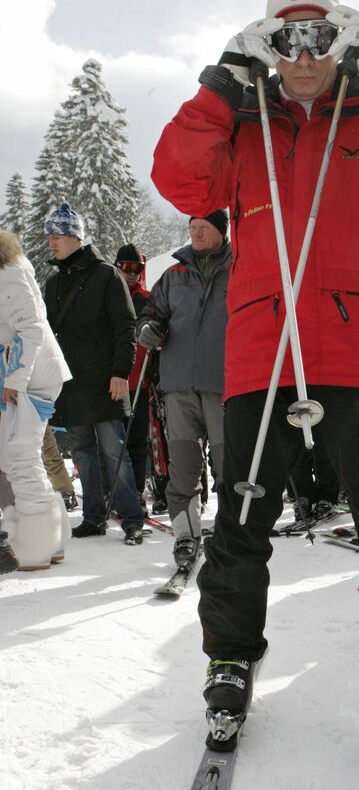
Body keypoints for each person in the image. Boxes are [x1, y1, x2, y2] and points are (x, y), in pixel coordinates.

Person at [151, 0, 359, 759]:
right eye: (286, 38)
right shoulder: (246, 125)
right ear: (267, 45)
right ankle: (229, 656)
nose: (304, 54)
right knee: (241, 525)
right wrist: (221, 87)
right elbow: (179, 177)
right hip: (265, 355)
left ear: (342, 38)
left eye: (321, 35)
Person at [42, 202, 145, 545]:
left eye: (57, 235)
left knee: (116, 450)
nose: (51, 241)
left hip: (105, 381)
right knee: (83, 452)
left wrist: (120, 372)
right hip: (71, 384)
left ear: (75, 237)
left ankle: (132, 519)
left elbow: (125, 327)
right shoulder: (53, 281)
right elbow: (47, 334)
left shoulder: (106, 274)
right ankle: (93, 517)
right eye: (49, 235)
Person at [137, 211, 230, 563]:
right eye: (192, 228)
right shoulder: (173, 276)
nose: (196, 233)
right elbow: (150, 314)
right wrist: (147, 329)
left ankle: (229, 531)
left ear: (221, 231)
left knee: (228, 465)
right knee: (183, 466)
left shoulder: (240, 269)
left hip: (224, 385)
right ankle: (185, 535)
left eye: (203, 227)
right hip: (178, 386)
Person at [0, 230, 72, 570]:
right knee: (19, 455)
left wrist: (15, 380)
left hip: (31, 374)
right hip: (22, 371)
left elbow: (29, 327)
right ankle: (50, 540)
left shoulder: (7, 270)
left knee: (20, 455)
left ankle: (36, 545)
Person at [115, 243, 152, 512]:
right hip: (113, 382)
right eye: (126, 268)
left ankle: (136, 492)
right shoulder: (108, 295)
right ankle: (115, 492)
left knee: (137, 442)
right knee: (114, 444)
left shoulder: (146, 299)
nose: (131, 274)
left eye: (137, 269)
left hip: (141, 382)